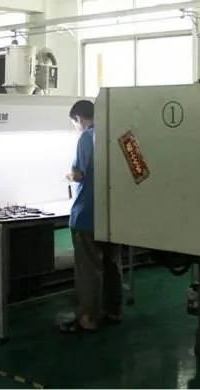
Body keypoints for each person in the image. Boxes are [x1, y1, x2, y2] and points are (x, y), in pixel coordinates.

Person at [60, 100, 123, 333]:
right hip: (114, 213)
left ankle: (87, 318)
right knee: (112, 264)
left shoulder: (87, 137)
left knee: (88, 269)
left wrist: (68, 175)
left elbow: (79, 174)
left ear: (78, 119)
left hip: (87, 214)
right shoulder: (117, 134)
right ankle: (113, 311)